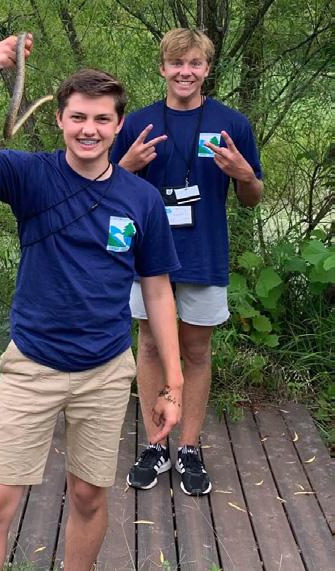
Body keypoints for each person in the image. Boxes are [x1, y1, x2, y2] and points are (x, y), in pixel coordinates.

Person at [0, 34, 184, 571]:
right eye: (78, 117)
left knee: (89, 496)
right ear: (59, 120)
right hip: (32, 365)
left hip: (105, 370)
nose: (88, 129)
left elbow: (157, 291)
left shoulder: (141, 200)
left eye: (101, 119)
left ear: (119, 125)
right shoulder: (32, 176)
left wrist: (174, 382)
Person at [111, 28, 263, 496]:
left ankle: (190, 447)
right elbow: (103, 189)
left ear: (207, 69)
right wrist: (126, 167)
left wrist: (244, 175)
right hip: (148, 254)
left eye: (194, 63)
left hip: (203, 250)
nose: (185, 72)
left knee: (196, 350)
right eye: (177, 63)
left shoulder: (232, 124)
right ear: (163, 68)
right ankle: (155, 444)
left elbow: (253, 197)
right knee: (151, 346)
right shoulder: (137, 124)